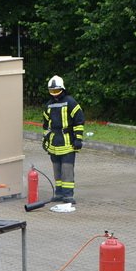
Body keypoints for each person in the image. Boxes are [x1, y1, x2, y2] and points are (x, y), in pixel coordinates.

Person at [41, 75, 85, 205]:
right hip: (54, 142)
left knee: (67, 169)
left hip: (68, 141)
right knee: (57, 169)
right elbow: (45, 125)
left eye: (57, 91)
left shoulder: (71, 102)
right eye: (52, 91)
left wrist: (78, 139)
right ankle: (59, 193)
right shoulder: (48, 105)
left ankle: (68, 195)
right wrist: (46, 139)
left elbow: (79, 121)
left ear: (63, 89)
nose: (54, 94)